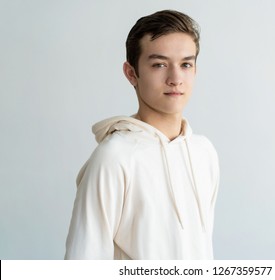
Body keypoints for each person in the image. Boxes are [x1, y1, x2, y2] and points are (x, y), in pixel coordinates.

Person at [65, 10, 219, 260]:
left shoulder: (204, 152)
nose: (175, 78)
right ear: (131, 73)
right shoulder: (113, 158)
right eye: (159, 64)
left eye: (185, 64)